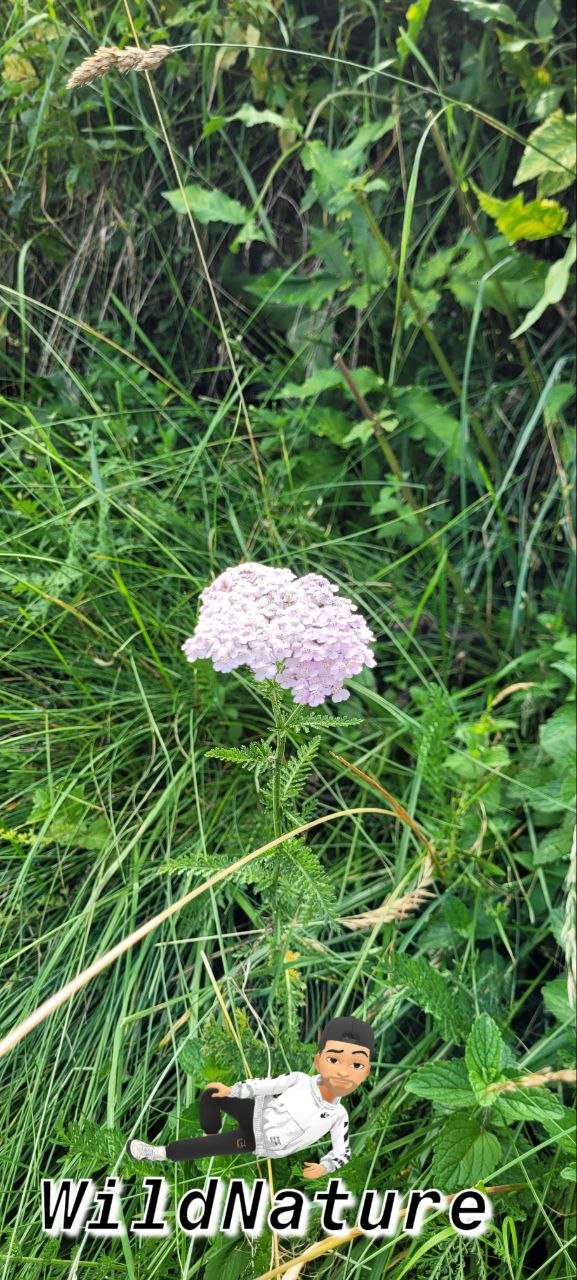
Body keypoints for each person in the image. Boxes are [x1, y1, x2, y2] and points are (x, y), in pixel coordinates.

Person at [126, 1015, 374, 1179]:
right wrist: (233, 1090)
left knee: (209, 1148)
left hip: (260, 1141)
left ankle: (156, 1153)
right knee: (212, 1093)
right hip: (257, 1112)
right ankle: (210, 1130)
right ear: (318, 1061)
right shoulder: (299, 1079)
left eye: (356, 1064)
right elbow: (264, 1085)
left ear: (366, 1073)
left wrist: (325, 1167)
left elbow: (343, 1152)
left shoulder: (337, 1116)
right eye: (334, 1059)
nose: (343, 1071)